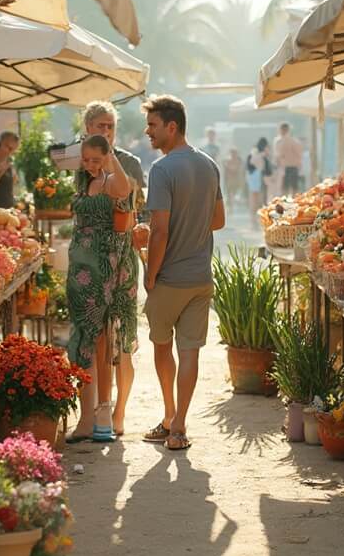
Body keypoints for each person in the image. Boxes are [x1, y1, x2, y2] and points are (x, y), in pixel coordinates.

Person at [140, 95, 224, 452]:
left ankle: (168, 416)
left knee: (163, 348)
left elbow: (159, 231)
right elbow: (218, 221)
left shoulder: (161, 170)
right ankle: (179, 428)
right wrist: (194, 223)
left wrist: (150, 274)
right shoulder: (209, 165)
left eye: (153, 125)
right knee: (190, 352)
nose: (148, 132)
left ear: (172, 127)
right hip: (200, 277)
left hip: (169, 278)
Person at [78, 100, 146, 437]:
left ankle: (119, 413)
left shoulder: (128, 162)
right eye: (100, 126)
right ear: (87, 128)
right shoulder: (78, 163)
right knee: (94, 338)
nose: (105, 132)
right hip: (88, 262)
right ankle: (92, 415)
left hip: (120, 259)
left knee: (122, 340)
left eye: (110, 127)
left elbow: (137, 207)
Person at [64, 135, 135, 444]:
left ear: (106, 157)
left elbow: (125, 189)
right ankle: (85, 416)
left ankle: (100, 416)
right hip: (80, 268)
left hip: (103, 271)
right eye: (86, 159)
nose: (90, 165)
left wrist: (110, 158)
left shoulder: (110, 180)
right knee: (82, 339)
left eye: (96, 159)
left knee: (99, 340)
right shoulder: (84, 180)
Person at [246, 137, 272, 228]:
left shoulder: (252, 153)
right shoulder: (263, 155)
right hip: (260, 180)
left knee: (253, 201)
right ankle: (259, 222)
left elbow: (248, 167)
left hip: (252, 180)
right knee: (261, 201)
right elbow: (267, 170)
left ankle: (253, 222)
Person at [273, 122, 304, 195]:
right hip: (285, 167)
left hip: (289, 167)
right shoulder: (281, 141)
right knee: (286, 188)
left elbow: (277, 156)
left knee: (291, 188)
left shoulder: (283, 141)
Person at [222, 147, 245, 213]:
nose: (233, 155)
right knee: (229, 194)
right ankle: (230, 208)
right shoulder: (227, 161)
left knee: (235, 194)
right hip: (230, 180)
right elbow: (226, 171)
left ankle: (233, 207)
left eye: (234, 153)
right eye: (232, 153)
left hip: (237, 180)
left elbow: (240, 169)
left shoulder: (239, 160)